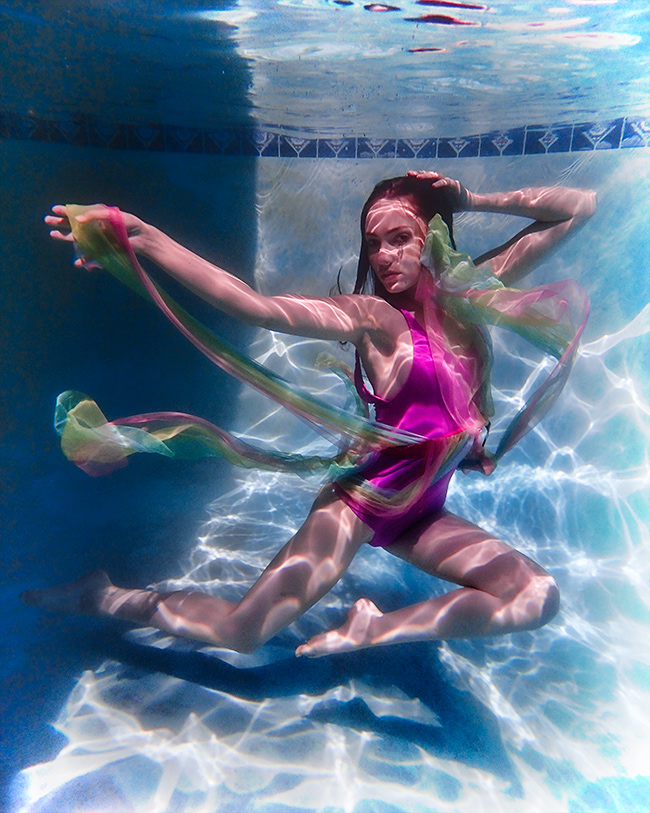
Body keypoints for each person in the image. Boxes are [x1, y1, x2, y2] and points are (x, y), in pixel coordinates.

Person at [25, 171, 595, 658]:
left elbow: (578, 208)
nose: (385, 256)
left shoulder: (469, 295)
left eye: (402, 238)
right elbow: (258, 307)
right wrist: (145, 239)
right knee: (242, 631)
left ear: (433, 239)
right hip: (362, 502)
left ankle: (375, 629)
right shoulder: (373, 317)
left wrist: (469, 198)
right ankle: (103, 596)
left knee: (535, 597)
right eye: (374, 243)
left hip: (423, 508)